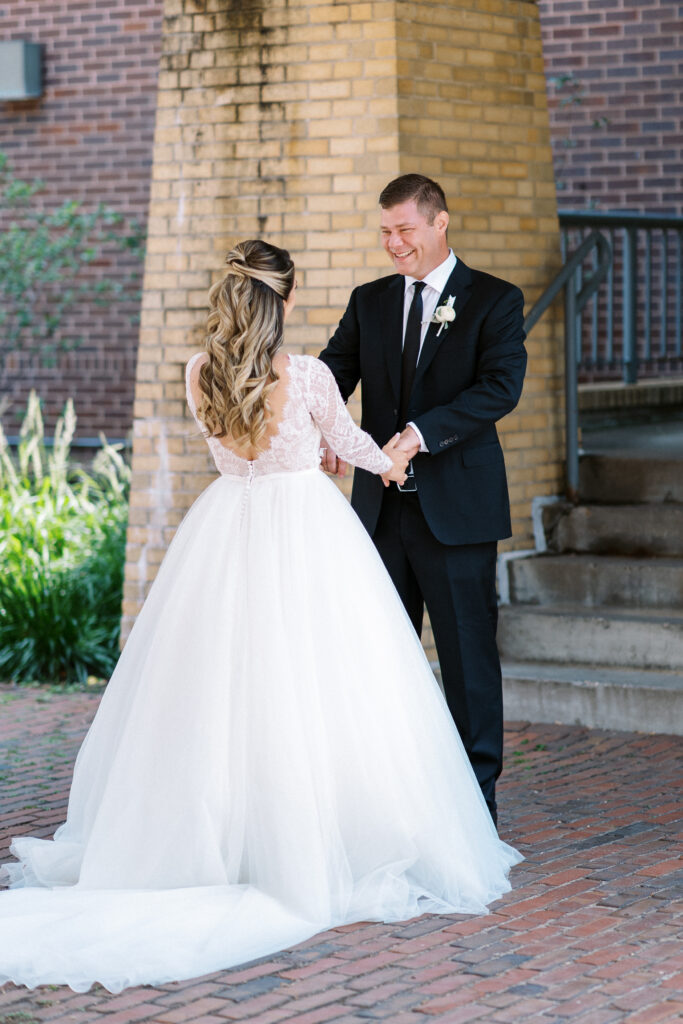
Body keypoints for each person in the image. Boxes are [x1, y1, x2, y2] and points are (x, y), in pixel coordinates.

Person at [0, 240, 521, 994]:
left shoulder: (197, 372)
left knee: (220, 689)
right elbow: (349, 445)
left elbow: (245, 444)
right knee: (320, 683)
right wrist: (393, 455)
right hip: (306, 533)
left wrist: (320, 447)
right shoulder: (305, 375)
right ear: (284, 296)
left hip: (225, 530)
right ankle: (318, 837)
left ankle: (224, 838)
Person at [319, 174, 527, 826]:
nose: (393, 244)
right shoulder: (369, 300)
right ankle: (389, 801)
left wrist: (417, 435)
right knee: (381, 656)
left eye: (404, 229)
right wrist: (320, 430)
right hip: (379, 515)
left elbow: (499, 388)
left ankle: (475, 807)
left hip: (457, 512)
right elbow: (329, 373)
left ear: (439, 223)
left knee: (467, 661)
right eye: (384, 231)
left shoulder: (493, 299)